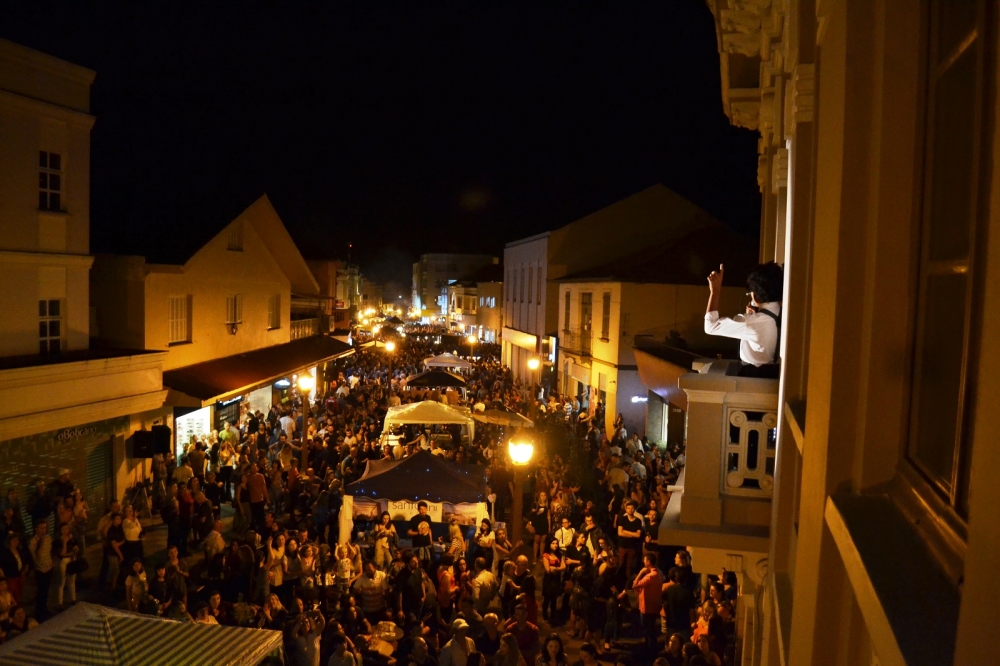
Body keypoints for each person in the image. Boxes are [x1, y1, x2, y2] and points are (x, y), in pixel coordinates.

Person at [704, 262, 783, 377]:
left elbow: (710, 326)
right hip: (775, 373)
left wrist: (715, 291)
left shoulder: (750, 322)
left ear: (755, 295)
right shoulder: (783, 313)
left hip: (753, 377)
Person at [629, 553, 664, 655]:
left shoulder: (650, 576)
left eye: (645, 560)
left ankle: (650, 651)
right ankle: (651, 648)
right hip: (655, 605)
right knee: (652, 628)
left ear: (648, 562)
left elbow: (635, 585)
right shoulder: (660, 572)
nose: (643, 561)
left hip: (646, 606)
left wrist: (641, 572)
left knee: (648, 630)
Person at [28, 521, 53, 619]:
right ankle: (39, 612)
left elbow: (49, 551)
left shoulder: (49, 538)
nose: (43, 530)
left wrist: (51, 562)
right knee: (41, 591)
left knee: (46, 590)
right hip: (40, 570)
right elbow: (37, 556)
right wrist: (41, 541)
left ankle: (44, 608)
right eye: (41, 528)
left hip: (49, 567)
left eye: (45, 528)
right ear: (36, 529)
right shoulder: (33, 542)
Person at [540, 539, 565, 625]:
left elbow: (563, 567)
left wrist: (554, 568)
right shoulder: (546, 555)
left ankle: (553, 616)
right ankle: (545, 616)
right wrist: (557, 569)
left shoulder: (559, 555)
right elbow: (547, 570)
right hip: (548, 580)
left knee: (554, 599)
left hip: (556, 580)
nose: (555, 545)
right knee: (547, 599)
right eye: (553, 543)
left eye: (556, 543)